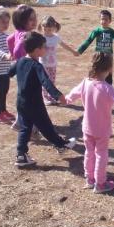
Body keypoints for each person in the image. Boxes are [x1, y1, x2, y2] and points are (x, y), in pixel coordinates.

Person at [66, 53, 114, 193]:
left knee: (89, 153)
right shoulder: (108, 88)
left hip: (87, 128)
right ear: (110, 68)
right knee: (101, 154)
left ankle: (90, 179)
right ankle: (100, 184)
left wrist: (61, 99)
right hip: (102, 131)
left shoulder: (85, 83)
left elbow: (70, 97)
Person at [9, 32, 76, 167]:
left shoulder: (21, 61)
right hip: (34, 105)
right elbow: (46, 82)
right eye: (44, 47)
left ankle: (21, 155)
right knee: (45, 126)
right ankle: (61, 145)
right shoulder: (37, 66)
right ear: (36, 50)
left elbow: (9, 73)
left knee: (25, 128)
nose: (46, 49)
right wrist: (58, 96)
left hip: (21, 103)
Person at [76, 9, 114, 85]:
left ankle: (108, 92)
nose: (103, 21)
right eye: (102, 19)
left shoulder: (112, 32)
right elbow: (88, 41)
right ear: (99, 20)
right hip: (98, 56)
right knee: (95, 73)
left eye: (106, 19)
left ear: (110, 21)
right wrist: (79, 51)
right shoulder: (96, 31)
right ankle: (93, 90)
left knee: (108, 74)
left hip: (108, 56)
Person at [37, 15, 78, 105]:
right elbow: (35, 50)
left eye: (49, 29)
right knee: (45, 82)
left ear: (54, 28)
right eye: (45, 29)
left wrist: (73, 51)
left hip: (53, 64)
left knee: (52, 81)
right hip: (43, 64)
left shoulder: (56, 38)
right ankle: (45, 98)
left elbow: (64, 45)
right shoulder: (41, 38)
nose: (47, 32)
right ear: (42, 27)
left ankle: (52, 96)